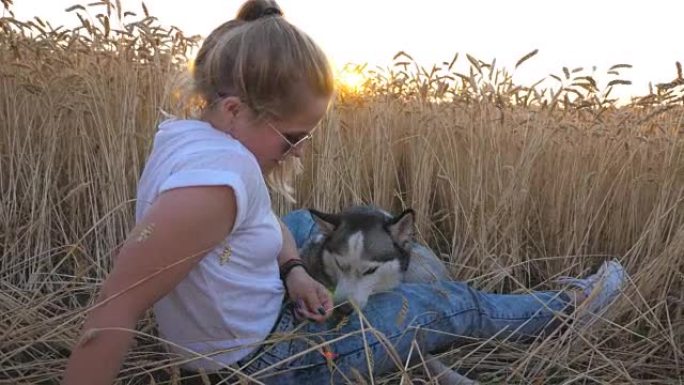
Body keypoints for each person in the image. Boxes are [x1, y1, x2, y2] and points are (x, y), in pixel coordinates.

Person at [62, 1, 628, 384]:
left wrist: (294, 271)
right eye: (293, 136)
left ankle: (400, 318)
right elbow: (115, 307)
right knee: (444, 305)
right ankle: (567, 309)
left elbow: (264, 220)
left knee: (320, 225)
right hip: (270, 364)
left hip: (260, 316)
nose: (301, 151)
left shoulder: (198, 139)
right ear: (236, 109)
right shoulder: (209, 191)